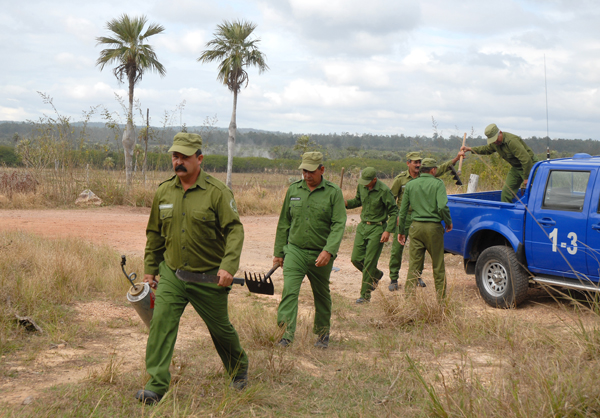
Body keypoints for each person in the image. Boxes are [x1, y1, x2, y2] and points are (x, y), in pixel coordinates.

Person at [136, 132, 248, 405]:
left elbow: (234, 230)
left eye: (185, 157)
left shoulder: (217, 192)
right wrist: (150, 270)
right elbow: (154, 234)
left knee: (220, 330)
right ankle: (156, 384)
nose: (179, 161)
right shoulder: (163, 191)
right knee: (161, 324)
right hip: (173, 274)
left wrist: (227, 266)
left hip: (208, 277)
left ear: (199, 159)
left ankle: (238, 368)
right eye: (175, 156)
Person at [273, 152, 346, 349]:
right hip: (295, 251)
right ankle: (285, 335)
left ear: (322, 170)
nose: (307, 175)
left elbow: (339, 223)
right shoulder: (293, 190)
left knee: (321, 293)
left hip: (320, 254)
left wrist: (329, 250)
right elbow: (284, 223)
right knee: (289, 291)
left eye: (311, 171)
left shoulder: (333, 192)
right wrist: (279, 252)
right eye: (304, 171)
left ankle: (323, 334)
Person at [388, 150, 464, 291]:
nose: (417, 164)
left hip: (416, 221)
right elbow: (391, 200)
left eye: (419, 162)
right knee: (400, 250)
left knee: (416, 257)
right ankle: (394, 278)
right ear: (408, 163)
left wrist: (456, 158)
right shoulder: (403, 179)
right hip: (418, 222)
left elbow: (442, 167)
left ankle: (413, 288)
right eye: (415, 162)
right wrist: (448, 221)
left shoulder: (417, 182)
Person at [397, 158, 452, 299]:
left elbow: (402, 211)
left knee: (413, 266)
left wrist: (401, 232)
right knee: (438, 265)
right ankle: (441, 301)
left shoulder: (410, 185)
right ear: (433, 170)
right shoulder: (438, 184)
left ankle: (409, 301)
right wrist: (448, 221)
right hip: (433, 228)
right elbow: (442, 206)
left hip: (415, 227)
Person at [345, 167, 398, 303]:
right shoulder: (362, 186)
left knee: (369, 262)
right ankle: (376, 275)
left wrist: (388, 231)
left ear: (374, 180)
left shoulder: (384, 191)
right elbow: (358, 201)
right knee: (356, 258)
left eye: (367, 182)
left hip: (378, 228)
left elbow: (393, 212)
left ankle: (365, 296)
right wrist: (345, 203)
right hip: (363, 226)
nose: (364, 184)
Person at [461, 123, 537, 203]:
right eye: (493, 140)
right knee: (506, 193)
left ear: (500, 132)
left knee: (535, 192)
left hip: (530, 166)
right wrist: (469, 149)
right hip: (516, 167)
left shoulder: (511, 141)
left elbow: (526, 159)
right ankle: (507, 214)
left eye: (496, 139)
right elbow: (486, 149)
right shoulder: (495, 143)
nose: (495, 142)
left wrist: (526, 178)